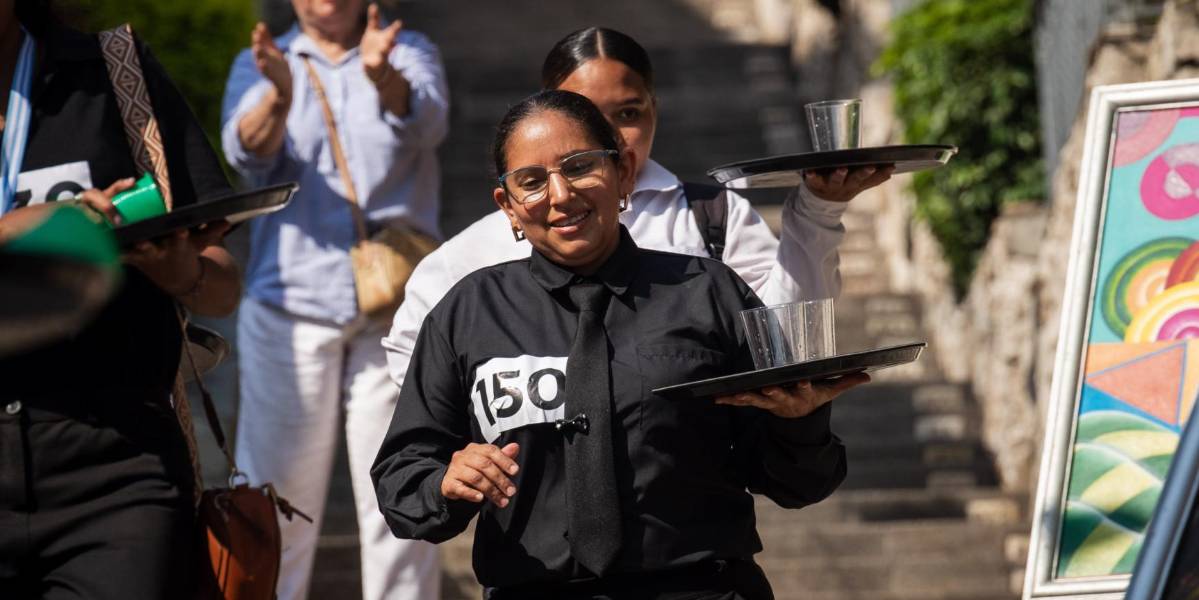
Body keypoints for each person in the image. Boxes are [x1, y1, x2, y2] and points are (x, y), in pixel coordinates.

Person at [372, 89, 868, 599]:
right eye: (532, 181)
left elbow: (798, 483)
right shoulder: (469, 311)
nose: (561, 194)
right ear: (509, 206)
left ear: (622, 174)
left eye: (580, 165)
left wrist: (800, 422)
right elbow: (402, 481)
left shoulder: (708, 293)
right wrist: (444, 484)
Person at [383, 26, 891, 404]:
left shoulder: (709, 216)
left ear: (655, 111)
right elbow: (414, 349)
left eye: (628, 114)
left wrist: (819, 211)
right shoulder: (487, 243)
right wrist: (479, 428)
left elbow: (784, 339)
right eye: (585, 115)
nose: (612, 138)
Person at [0, 1, 241, 597]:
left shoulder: (113, 70)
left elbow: (223, 284)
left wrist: (181, 270)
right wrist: (42, 223)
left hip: (115, 476)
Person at [219, 1, 448, 598]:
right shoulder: (261, 59)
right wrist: (278, 93)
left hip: (395, 310)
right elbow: (247, 155)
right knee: (275, 497)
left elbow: (428, 125)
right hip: (289, 310)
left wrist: (382, 77)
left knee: (402, 497)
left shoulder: (409, 50)